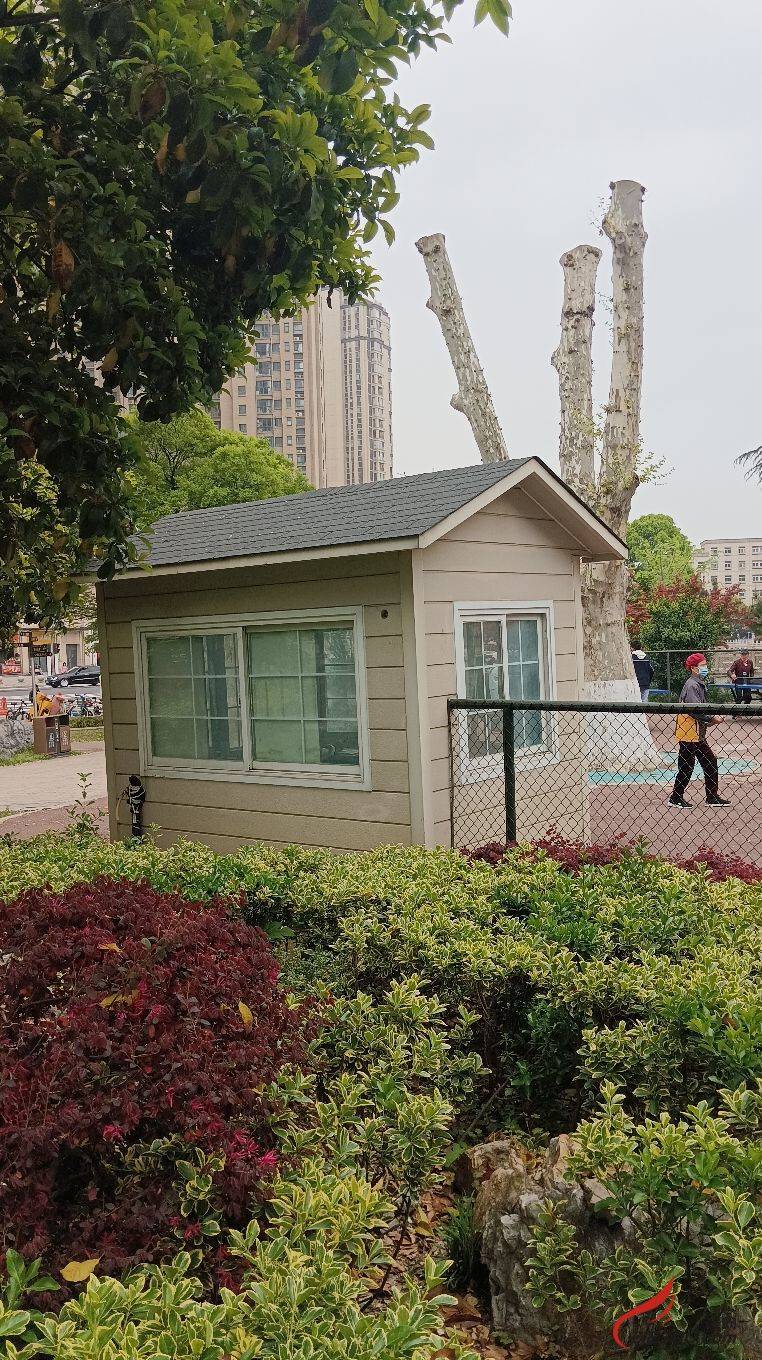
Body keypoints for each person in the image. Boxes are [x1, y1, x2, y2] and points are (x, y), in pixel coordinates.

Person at [669, 653, 730, 807]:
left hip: (696, 732)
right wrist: (712, 718)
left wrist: (710, 720)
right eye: (702, 665)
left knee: (709, 762)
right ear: (693, 668)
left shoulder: (698, 684)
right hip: (689, 733)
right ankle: (676, 797)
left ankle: (711, 796)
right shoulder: (692, 685)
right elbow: (694, 710)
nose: (705, 668)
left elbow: (699, 710)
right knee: (687, 766)